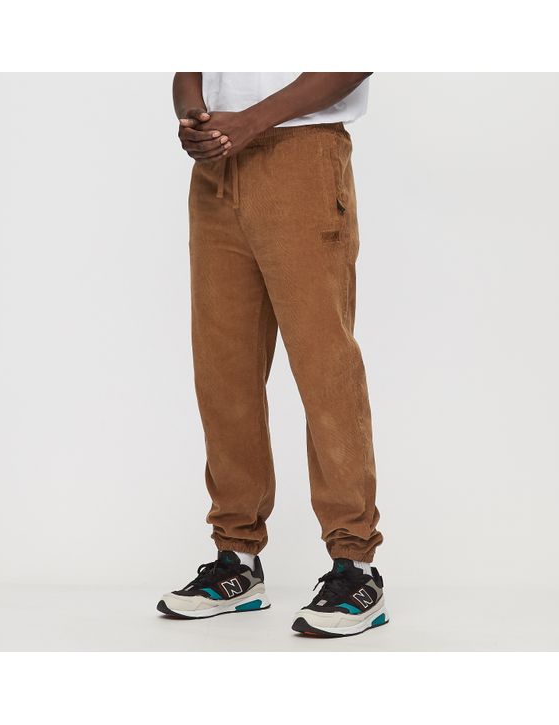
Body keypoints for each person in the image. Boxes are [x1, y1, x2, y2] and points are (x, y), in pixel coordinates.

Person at [157, 73, 387, 638]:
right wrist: (193, 118)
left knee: (324, 367)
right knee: (223, 370)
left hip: (300, 156)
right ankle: (236, 557)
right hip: (216, 166)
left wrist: (250, 122)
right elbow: (189, 62)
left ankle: (356, 565)